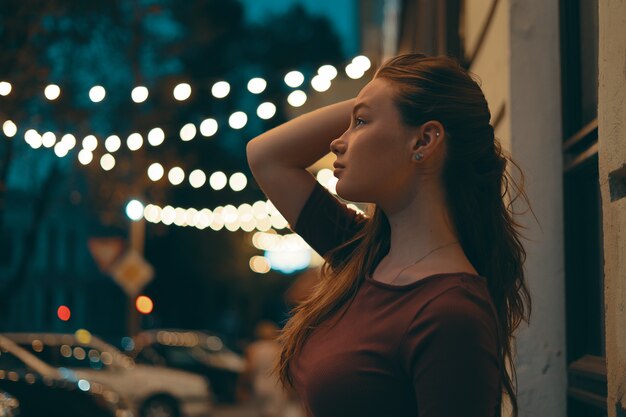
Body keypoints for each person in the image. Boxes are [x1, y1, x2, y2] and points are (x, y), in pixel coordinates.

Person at [246, 53, 533, 417]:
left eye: (361, 122)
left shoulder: (450, 314)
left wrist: (394, 94)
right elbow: (266, 156)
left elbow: (268, 158)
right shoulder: (362, 253)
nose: (337, 141)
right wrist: (381, 96)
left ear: (424, 141)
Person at [242, 321, 290, 417]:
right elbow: (284, 370)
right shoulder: (278, 348)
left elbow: (248, 370)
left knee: (262, 413)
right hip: (277, 386)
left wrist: (243, 387)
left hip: (259, 384)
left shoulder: (253, 349)